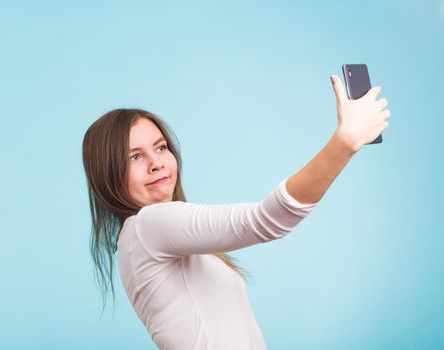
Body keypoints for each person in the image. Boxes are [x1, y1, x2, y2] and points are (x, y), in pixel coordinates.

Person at [81, 75, 391, 349]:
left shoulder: (147, 236)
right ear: (109, 174)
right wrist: (344, 143)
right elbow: (266, 221)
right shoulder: (148, 226)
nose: (156, 162)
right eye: (135, 156)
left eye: (161, 147)